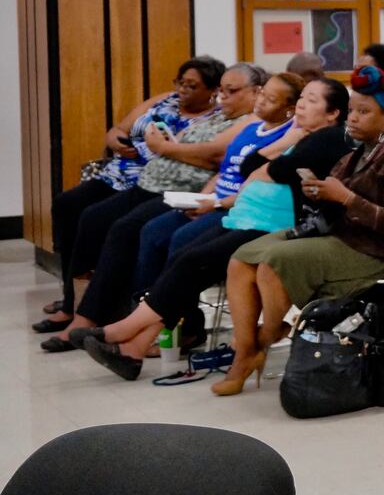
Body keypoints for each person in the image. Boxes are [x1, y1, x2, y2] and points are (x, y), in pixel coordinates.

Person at [82, 79, 354, 376]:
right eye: (302, 97)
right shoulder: (301, 135)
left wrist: (271, 160)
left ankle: (125, 330)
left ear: (333, 113)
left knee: (191, 260)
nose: (302, 104)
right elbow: (248, 166)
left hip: (276, 227)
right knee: (184, 256)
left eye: (312, 100)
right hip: (247, 217)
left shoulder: (329, 138)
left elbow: (273, 170)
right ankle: (133, 350)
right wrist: (283, 145)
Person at [201, 67, 384, 396]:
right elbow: (337, 202)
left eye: (365, 112)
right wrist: (321, 193)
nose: (354, 119)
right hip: (335, 236)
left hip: (369, 253)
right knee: (240, 258)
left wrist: (345, 197)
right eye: (353, 111)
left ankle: (254, 349)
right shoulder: (353, 153)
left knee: (273, 264)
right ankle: (249, 350)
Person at [43, 63, 262, 353]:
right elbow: (183, 147)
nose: (223, 98)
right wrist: (172, 150)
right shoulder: (215, 116)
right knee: (89, 216)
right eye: (222, 90)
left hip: (185, 191)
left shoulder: (249, 121)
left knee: (131, 230)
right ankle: (84, 309)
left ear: (255, 92)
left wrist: (166, 149)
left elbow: (214, 157)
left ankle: (109, 319)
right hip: (152, 183)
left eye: (231, 91)